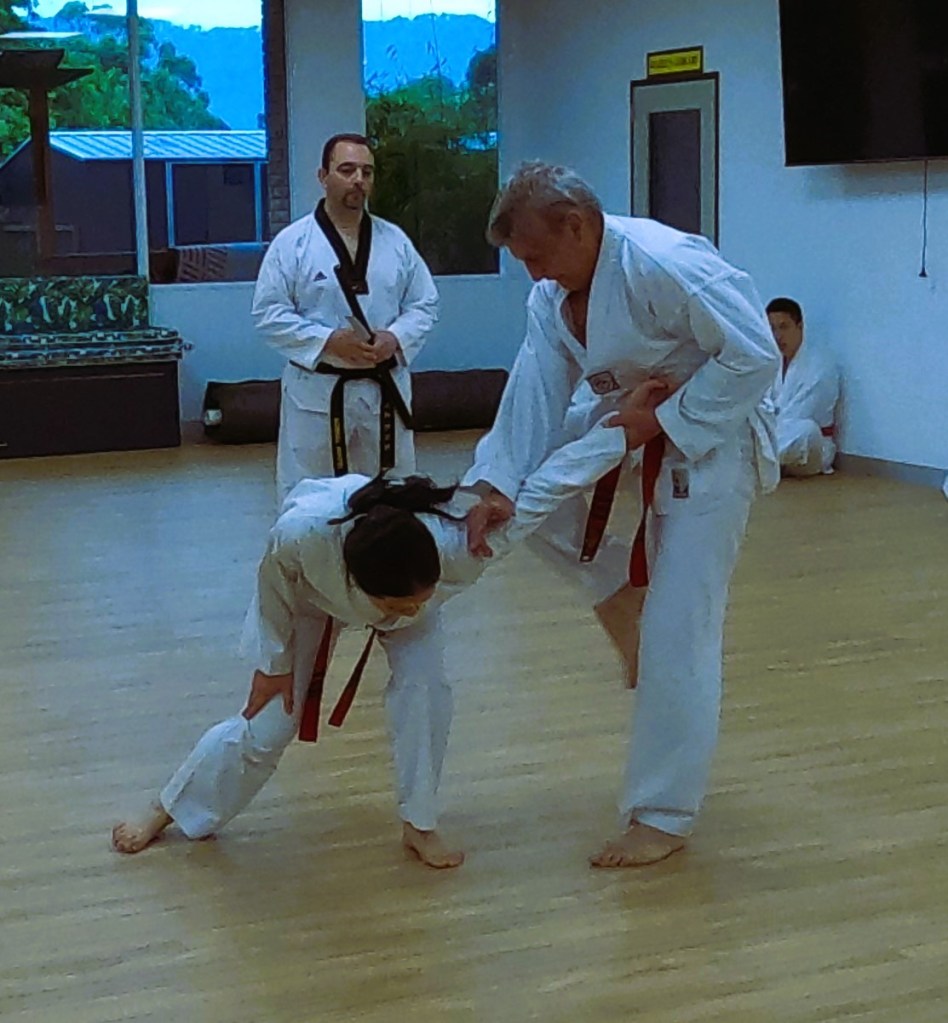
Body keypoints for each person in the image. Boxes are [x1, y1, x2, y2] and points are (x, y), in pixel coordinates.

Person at [111, 432, 635, 870]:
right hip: (307, 601)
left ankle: (419, 823)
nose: (409, 610)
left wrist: (622, 433)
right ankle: (167, 807)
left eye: (420, 597)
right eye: (397, 605)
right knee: (269, 725)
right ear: (364, 590)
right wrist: (273, 664)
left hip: (390, 572)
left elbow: (545, 487)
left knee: (426, 690)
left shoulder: (466, 543)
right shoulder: (302, 535)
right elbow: (272, 580)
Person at [464, 162, 781, 869]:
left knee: (679, 630)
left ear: (577, 225)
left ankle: (663, 814)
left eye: (537, 255)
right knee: (508, 501)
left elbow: (756, 354)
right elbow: (534, 389)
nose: (533, 273)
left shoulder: (665, 264)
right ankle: (616, 588)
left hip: (713, 438)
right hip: (626, 412)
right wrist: (496, 481)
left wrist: (663, 421)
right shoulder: (552, 294)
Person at [252, 133, 439, 502]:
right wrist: (327, 340)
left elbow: (425, 303)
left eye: (367, 172)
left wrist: (395, 338)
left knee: (390, 497)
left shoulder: (395, 241)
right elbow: (268, 313)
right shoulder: (293, 243)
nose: (358, 180)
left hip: (382, 388)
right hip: (317, 391)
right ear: (323, 176)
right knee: (310, 498)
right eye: (347, 170)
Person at [766, 297, 840, 477]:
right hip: (774, 437)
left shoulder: (820, 367)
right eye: (772, 328)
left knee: (806, 429)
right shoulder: (772, 363)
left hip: (810, 449)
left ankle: (754, 460)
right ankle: (762, 461)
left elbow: (796, 416)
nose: (777, 336)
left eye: (784, 327)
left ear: (799, 327)